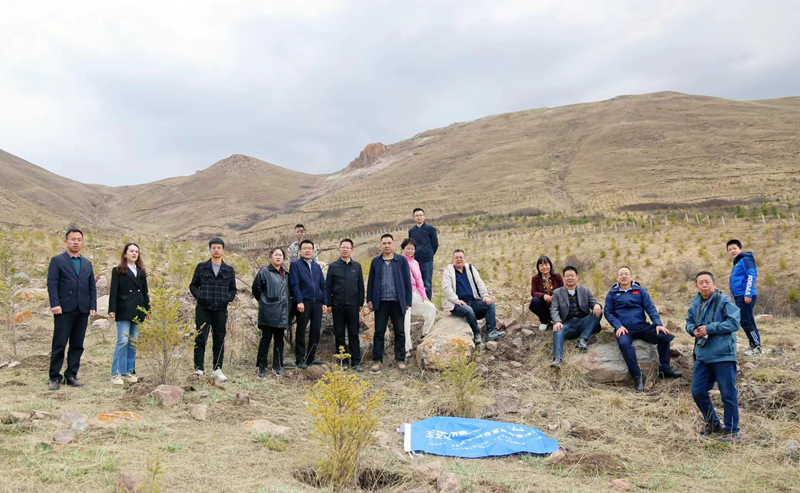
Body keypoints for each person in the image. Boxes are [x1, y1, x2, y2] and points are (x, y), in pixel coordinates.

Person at [604, 266, 682, 392]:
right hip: (624, 329)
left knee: (664, 336)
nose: (624, 276)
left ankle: (665, 368)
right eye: (621, 274)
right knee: (624, 344)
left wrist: (657, 324)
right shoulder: (612, 293)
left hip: (642, 326)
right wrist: (618, 326)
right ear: (617, 278)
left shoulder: (640, 291)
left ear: (631, 276)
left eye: (626, 274)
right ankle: (638, 376)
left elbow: (650, 308)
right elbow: (608, 312)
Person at [686, 271, 741, 441]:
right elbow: (689, 322)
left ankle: (732, 431)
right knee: (698, 391)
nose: (704, 285)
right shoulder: (695, 303)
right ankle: (713, 423)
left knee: (728, 394)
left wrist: (709, 328)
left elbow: (734, 322)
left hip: (723, 354)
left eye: (707, 282)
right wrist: (692, 330)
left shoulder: (724, 300)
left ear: (714, 284)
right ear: (696, 286)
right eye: (701, 282)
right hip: (703, 354)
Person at [46, 228, 97, 391]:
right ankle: (54, 377)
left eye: (79, 240)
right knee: (59, 343)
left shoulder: (87, 263)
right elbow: (52, 283)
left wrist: (92, 306)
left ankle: (71, 375)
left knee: (77, 344)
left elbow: (92, 287)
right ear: (66, 241)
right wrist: (55, 304)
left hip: (82, 309)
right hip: (63, 309)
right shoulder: (57, 260)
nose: (76, 242)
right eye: (73, 239)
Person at [189, 237, 237, 382]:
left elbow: (233, 289)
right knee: (201, 338)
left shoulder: (228, 270)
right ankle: (199, 369)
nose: (216, 250)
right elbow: (193, 285)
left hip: (220, 310)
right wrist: (201, 296)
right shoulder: (201, 267)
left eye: (219, 248)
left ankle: (217, 369)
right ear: (210, 250)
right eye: (213, 247)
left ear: (223, 250)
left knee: (219, 339)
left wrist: (226, 299)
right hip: (203, 309)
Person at [366, 234, 412, 372]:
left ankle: (400, 359)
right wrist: (369, 299)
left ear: (393, 244)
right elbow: (371, 281)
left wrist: (407, 300)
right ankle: (377, 360)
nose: (387, 245)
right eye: (384, 243)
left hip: (397, 301)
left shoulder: (401, 260)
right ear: (381, 245)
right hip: (381, 302)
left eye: (389, 243)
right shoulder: (376, 261)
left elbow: (407, 281)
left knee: (400, 331)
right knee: (379, 332)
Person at [442, 250, 506, 346]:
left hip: (472, 301)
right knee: (468, 310)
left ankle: (491, 332)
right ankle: (477, 333)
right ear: (453, 259)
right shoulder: (448, 271)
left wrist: (485, 296)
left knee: (490, 305)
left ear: (464, 258)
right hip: (457, 304)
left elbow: (479, 283)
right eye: (456, 257)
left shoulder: (470, 268)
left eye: (461, 257)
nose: (459, 259)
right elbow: (446, 288)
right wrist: (456, 300)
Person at [108, 243, 150, 386]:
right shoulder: (118, 270)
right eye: (131, 251)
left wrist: (147, 309)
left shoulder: (141, 271)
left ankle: (128, 371)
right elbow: (113, 291)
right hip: (124, 309)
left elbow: (145, 292)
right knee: (123, 341)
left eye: (136, 251)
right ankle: (116, 373)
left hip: (138, 309)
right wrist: (112, 309)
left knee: (133, 342)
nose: (134, 253)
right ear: (125, 254)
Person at [549, 266, 602, 368]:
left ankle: (583, 339)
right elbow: (554, 309)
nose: (570, 278)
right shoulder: (557, 293)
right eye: (567, 276)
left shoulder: (585, 290)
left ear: (577, 277)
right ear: (564, 278)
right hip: (568, 325)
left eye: (572, 275)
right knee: (558, 330)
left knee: (598, 312)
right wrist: (557, 321)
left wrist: (596, 305)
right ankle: (557, 359)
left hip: (583, 322)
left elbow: (593, 302)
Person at [326, 238, 365, 371]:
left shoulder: (357, 266)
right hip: (338, 305)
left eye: (347, 247)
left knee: (354, 334)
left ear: (352, 250)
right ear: (339, 249)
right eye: (343, 247)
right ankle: (342, 362)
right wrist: (329, 303)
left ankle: (356, 362)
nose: (345, 249)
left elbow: (360, 286)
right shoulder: (333, 266)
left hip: (353, 306)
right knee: (339, 333)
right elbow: (328, 286)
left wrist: (360, 303)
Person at [289, 239, 328, 368]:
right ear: (300, 251)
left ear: (313, 251)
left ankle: (310, 357)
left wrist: (324, 302)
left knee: (316, 329)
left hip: (317, 302)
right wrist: (299, 301)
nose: (307, 250)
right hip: (304, 302)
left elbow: (323, 285)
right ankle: (300, 359)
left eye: (310, 248)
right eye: (304, 248)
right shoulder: (295, 265)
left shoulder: (316, 266)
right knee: (301, 329)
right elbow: (294, 284)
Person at [252, 247, 291, 377]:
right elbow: (256, 289)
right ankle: (262, 366)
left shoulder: (286, 274)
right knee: (266, 338)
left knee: (279, 340)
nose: (278, 257)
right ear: (270, 257)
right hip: (268, 311)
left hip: (282, 312)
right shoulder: (264, 271)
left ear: (283, 259)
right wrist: (265, 301)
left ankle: (277, 365)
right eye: (276, 255)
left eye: (280, 255)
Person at [401, 238, 438, 358]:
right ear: (403, 249)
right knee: (405, 322)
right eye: (408, 248)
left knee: (431, 308)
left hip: (415, 294)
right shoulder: (400, 261)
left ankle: (425, 334)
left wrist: (424, 296)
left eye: (412, 249)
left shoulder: (415, 263)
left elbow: (420, 281)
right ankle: (406, 349)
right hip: (403, 296)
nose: (410, 251)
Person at [726, 239, 762, 356]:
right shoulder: (738, 262)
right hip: (740, 295)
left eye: (734, 248)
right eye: (729, 250)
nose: (732, 251)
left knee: (745, 320)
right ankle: (756, 345)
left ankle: (756, 346)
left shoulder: (745, 260)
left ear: (741, 249)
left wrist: (748, 293)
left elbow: (751, 275)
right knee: (748, 320)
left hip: (745, 295)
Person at [408, 208, 438, 300]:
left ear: (424, 216)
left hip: (427, 260)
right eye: (417, 216)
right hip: (415, 261)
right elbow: (410, 245)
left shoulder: (430, 229)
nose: (419, 217)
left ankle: (428, 303)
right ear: (414, 218)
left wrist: (429, 254)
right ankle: (418, 302)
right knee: (415, 283)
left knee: (427, 284)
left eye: (420, 215)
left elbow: (435, 244)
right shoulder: (411, 231)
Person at [529, 255, 564, 331]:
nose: (544, 267)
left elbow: (563, 290)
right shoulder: (535, 278)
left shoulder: (557, 276)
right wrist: (543, 296)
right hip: (544, 304)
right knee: (535, 301)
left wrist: (555, 297)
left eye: (546, 265)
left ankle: (556, 320)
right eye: (541, 265)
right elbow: (533, 292)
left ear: (550, 265)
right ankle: (544, 321)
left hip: (556, 303)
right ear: (538, 267)